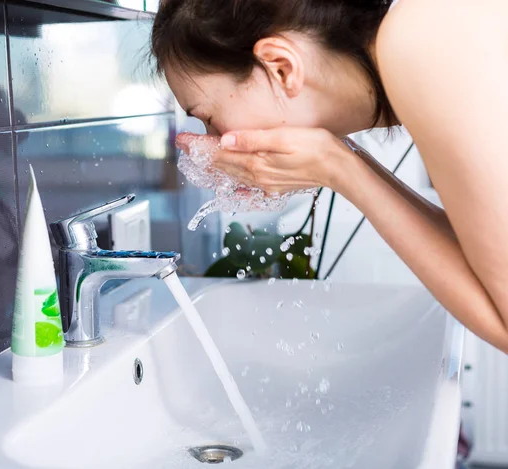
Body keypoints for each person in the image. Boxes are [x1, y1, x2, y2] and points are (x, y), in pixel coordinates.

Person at [150, 0, 508, 354]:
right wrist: (343, 162)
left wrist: (340, 168)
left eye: (209, 117)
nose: (214, 143)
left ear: (281, 68)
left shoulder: (415, 38)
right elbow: (484, 270)